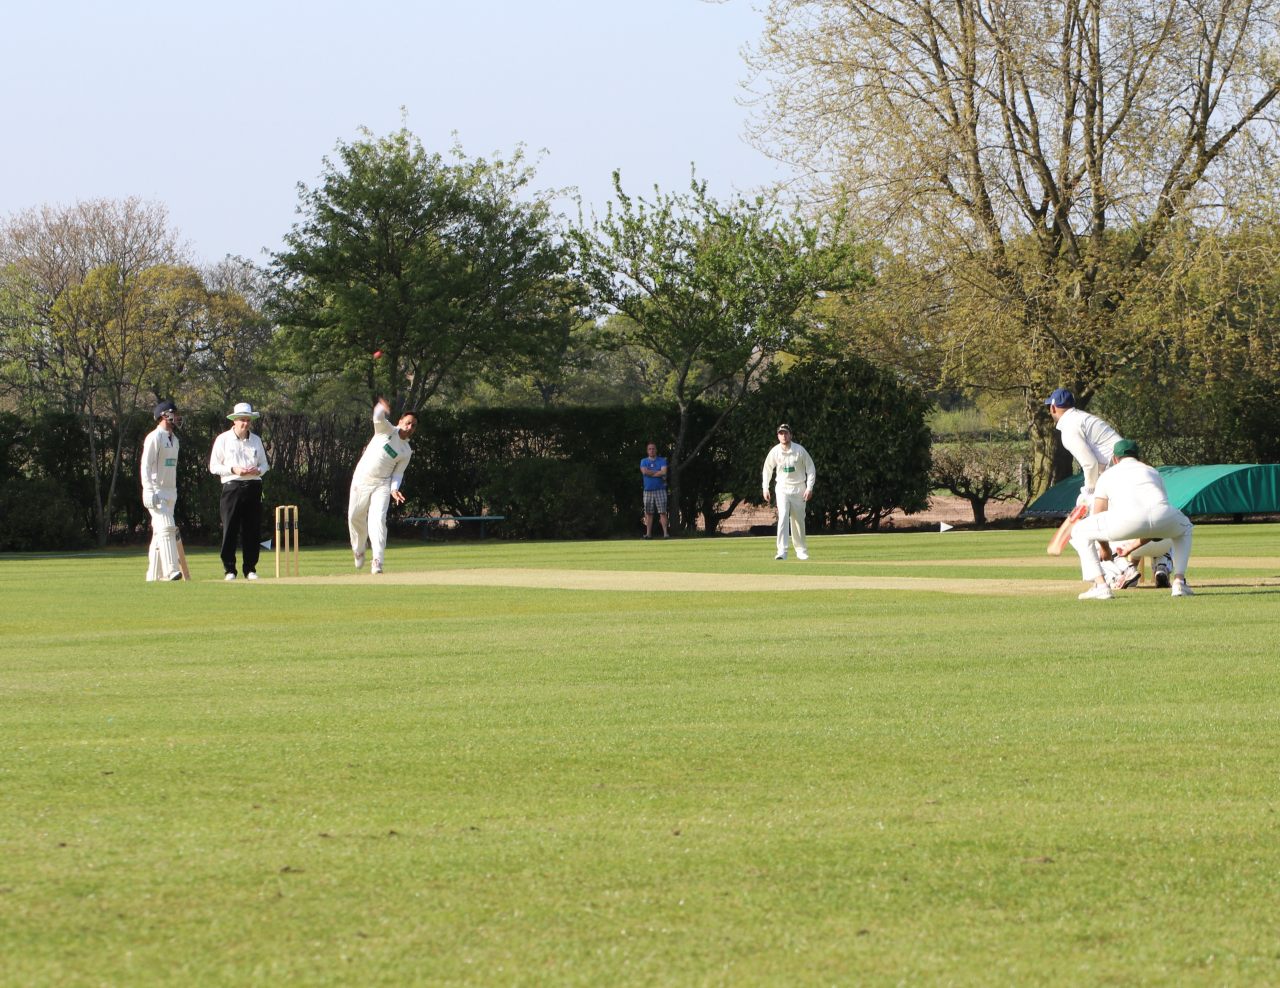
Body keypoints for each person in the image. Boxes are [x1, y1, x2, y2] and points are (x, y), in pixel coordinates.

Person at [1045, 386, 1174, 585]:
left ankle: (1120, 571)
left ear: (1053, 408)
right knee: (1153, 514)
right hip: (1160, 532)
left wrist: (1089, 492)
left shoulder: (1068, 427)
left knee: (1082, 532)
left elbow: (1090, 464)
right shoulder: (1151, 472)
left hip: (1114, 477)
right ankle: (1162, 565)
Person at [1068, 439, 1194, 600]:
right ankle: (1179, 582)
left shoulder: (1107, 475)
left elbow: (1097, 514)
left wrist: (1105, 549)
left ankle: (1100, 585)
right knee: (1186, 527)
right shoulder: (1153, 472)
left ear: (1114, 459)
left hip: (1125, 523)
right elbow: (1156, 515)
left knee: (1079, 531)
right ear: (1138, 457)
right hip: (1163, 519)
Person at [349, 398, 416, 574]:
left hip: (382, 484)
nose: (410, 427)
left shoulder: (406, 451)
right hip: (362, 479)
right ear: (400, 422)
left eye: (413, 426)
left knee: (378, 520)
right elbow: (378, 417)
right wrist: (381, 406)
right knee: (354, 517)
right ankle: (359, 549)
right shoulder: (386, 430)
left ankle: (377, 560)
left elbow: (398, 473)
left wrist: (394, 489)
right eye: (408, 423)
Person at [208, 402, 271, 581]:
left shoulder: (256, 440)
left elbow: (264, 464)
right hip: (232, 487)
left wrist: (258, 471)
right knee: (230, 529)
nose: (245, 423)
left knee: (252, 530)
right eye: (242, 420)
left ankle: (250, 569)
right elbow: (214, 466)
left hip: (253, 486)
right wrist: (233, 470)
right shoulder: (223, 439)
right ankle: (229, 570)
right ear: (234, 421)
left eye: (248, 420)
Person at [140, 399, 184, 582]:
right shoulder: (154, 437)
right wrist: (148, 490)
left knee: (160, 534)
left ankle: (153, 575)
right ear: (163, 415)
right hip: (156, 490)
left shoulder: (175, 440)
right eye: (174, 413)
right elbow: (146, 466)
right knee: (167, 527)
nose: (177, 416)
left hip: (170, 490)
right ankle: (171, 570)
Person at [762, 423, 816, 561]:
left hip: (799, 489)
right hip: (782, 488)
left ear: (790, 435)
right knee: (783, 516)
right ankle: (782, 551)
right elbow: (767, 469)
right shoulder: (775, 451)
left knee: (798, 520)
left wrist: (809, 488)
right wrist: (765, 488)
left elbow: (810, 469)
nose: (784, 436)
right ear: (778, 436)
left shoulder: (800, 450)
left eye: (786, 433)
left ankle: (801, 550)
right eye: (781, 433)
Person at [639, 442, 670, 539]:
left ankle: (665, 534)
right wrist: (658, 472)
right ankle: (648, 534)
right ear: (647, 451)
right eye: (650, 449)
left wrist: (651, 473)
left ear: (656, 450)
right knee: (648, 513)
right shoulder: (643, 461)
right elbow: (644, 471)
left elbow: (664, 472)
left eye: (653, 449)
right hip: (648, 490)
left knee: (663, 512)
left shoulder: (662, 460)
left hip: (660, 490)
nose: (651, 450)